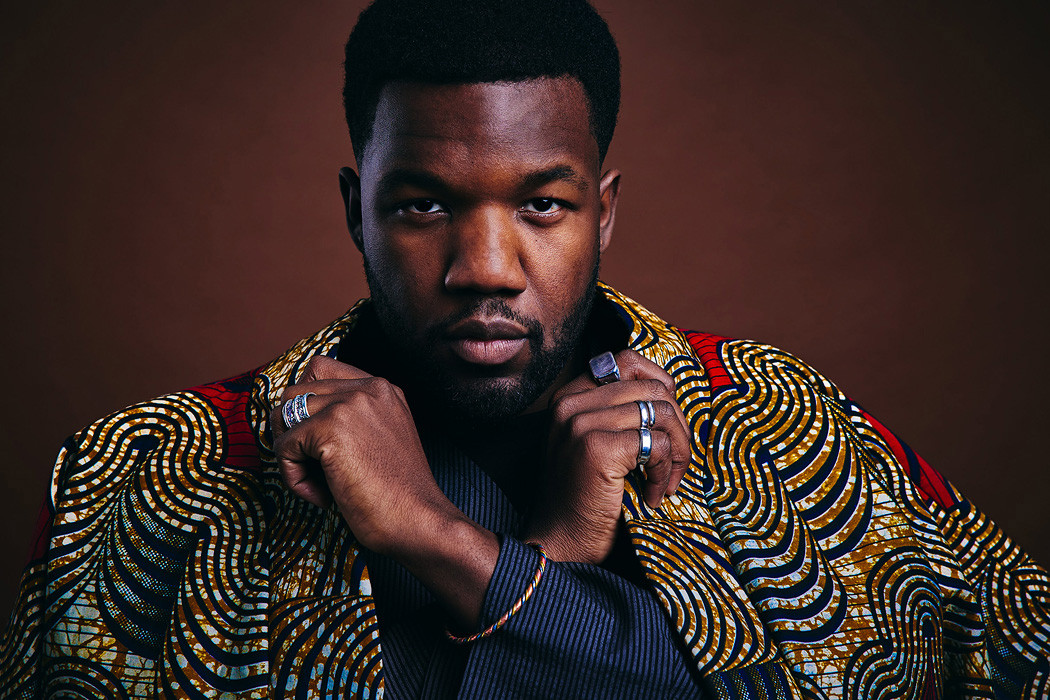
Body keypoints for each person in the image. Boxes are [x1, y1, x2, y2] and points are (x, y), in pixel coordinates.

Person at [1, 0, 1048, 697]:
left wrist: (448, 550)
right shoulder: (146, 472)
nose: (486, 267)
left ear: (604, 212)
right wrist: (519, 565)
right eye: (422, 205)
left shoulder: (789, 426)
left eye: (542, 205)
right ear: (356, 211)